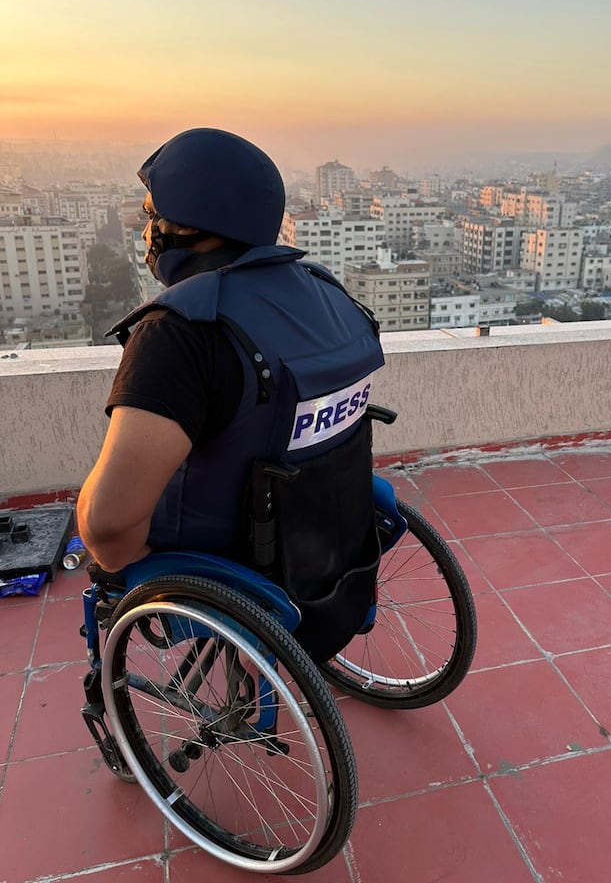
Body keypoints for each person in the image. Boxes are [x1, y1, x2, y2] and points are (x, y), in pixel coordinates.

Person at [77, 127, 385, 660]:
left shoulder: (182, 330)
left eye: (153, 216)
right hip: (333, 535)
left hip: (237, 563)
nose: (147, 231)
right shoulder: (327, 293)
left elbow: (110, 527)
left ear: (190, 224)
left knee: (97, 539)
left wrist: (105, 544)